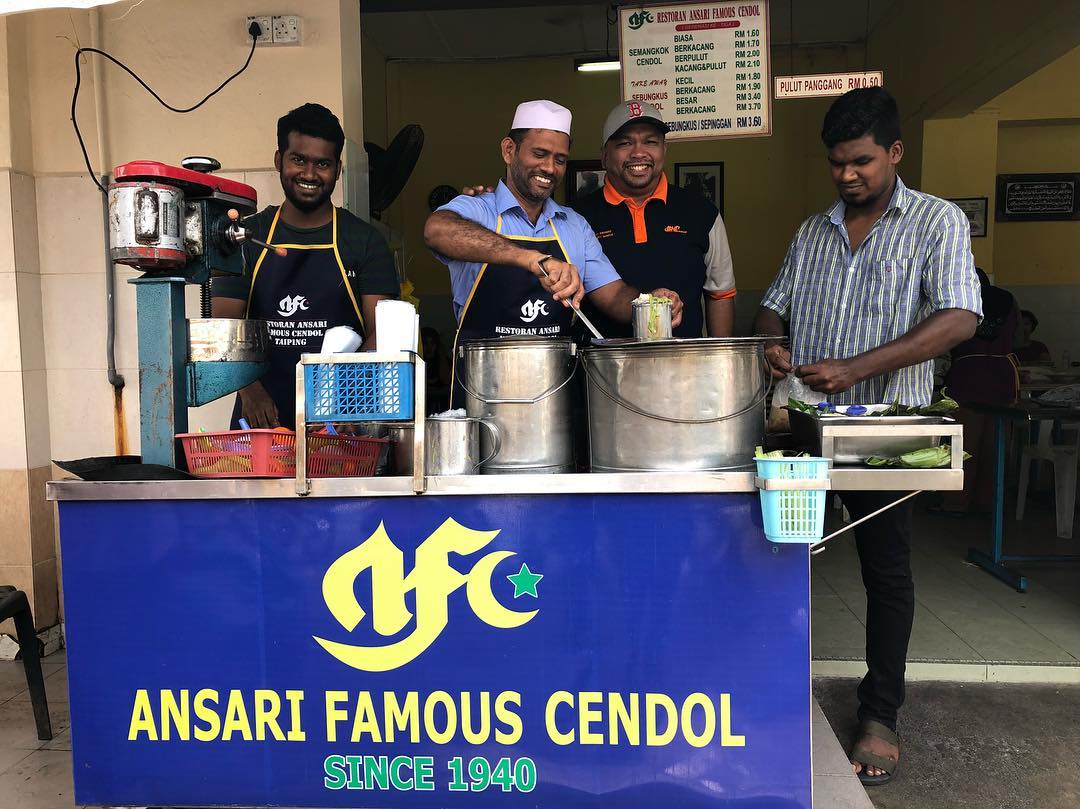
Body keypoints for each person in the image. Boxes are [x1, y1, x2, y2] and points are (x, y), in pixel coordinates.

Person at [753, 87, 981, 786]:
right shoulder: (812, 231)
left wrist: (856, 367)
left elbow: (959, 318)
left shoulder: (936, 223)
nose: (846, 176)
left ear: (895, 152)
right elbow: (772, 306)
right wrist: (775, 345)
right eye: (836, 164)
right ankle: (768, 694)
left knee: (886, 573)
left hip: (888, 430)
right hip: (804, 430)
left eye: (860, 162)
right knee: (781, 559)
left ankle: (880, 711)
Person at [423, 99, 683, 405]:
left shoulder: (573, 225)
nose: (549, 168)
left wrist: (652, 304)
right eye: (539, 154)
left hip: (552, 400)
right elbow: (436, 230)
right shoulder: (477, 209)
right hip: (483, 394)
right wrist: (532, 259)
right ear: (509, 151)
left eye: (560, 159)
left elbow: (613, 296)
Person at [213, 103, 400, 428]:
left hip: (340, 428)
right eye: (298, 159)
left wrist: (349, 403)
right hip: (260, 426)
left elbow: (382, 335)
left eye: (322, 164)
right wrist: (250, 391)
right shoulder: (247, 237)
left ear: (338, 169)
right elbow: (223, 329)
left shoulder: (365, 241)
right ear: (278, 160)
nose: (310, 174)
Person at [575, 101, 737, 338]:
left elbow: (720, 294)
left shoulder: (702, 213)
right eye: (625, 143)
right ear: (604, 156)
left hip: (685, 369)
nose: (639, 152)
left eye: (650, 142)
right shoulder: (577, 218)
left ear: (664, 149)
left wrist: (721, 367)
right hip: (605, 369)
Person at [937, 268, 1019, 515]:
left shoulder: (961, 300)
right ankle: (990, 504)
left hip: (968, 373)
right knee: (996, 444)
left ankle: (955, 504)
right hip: (1003, 374)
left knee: (962, 444)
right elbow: (1018, 337)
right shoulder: (1009, 300)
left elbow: (947, 337)